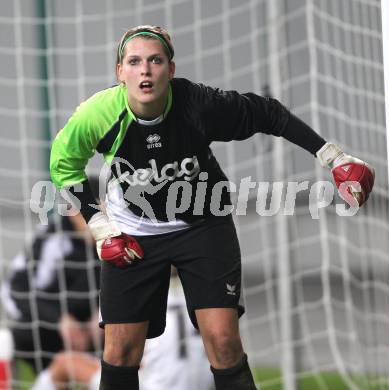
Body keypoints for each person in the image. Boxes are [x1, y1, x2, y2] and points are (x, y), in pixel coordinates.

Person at [49, 25, 375, 390]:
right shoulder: (97, 115)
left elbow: (268, 113)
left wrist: (332, 157)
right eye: (135, 61)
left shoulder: (199, 105)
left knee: (223, 342)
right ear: (119, 71)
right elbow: (64, 166)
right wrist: (99, 226)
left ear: (170, 70)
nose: (145, 70)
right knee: (120, 352)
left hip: (203, 223)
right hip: (133, 230)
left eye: (156, 61)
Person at [31, 271, 214, 390]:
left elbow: (127, 353)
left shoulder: (143, 293)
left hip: (153, 386)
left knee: (65, 363)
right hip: (204, 384)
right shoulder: (205, 295)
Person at [1, 211, 100, 373]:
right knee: (17, 336)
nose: (91, 219)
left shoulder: (119, 239)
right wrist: (60, 320)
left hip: (97, 328)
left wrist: (103, 314)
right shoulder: (52, 238)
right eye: (86, 213)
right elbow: (18, 291)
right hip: (53, 327)